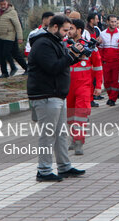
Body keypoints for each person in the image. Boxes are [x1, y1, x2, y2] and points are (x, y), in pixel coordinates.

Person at [27, 14, 86, 182]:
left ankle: (64, 166)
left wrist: (74, 56)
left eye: (69, 30)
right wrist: (70, 56)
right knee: (48, 134)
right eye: (65, 30)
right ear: (54, 28)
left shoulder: (55, 42)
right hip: (46, 94)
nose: (68, 34)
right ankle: (44, 170)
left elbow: (61, 63)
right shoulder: (43, 44)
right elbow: (53, 67)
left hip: (56, 94)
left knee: (60, 133)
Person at [66, 19, 103, 155]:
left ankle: (79, 142)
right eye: (68, 29)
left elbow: (98, 67)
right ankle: (73, 138)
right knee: (69, 115)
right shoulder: (65, 45)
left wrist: (98, 86)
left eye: (71, 28)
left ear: (79, 30)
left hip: (84, 85)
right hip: (67, 85)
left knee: (81, 113)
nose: (68, 31)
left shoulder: (89, 47)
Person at [99, 15, 119, 106]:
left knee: (116, 81)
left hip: (117, 62)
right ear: (108, 22)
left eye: (115, 22)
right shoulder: (103, 33)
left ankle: (113, 99)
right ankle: (110, 95)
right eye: (112, 22)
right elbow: (100, 48)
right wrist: (101, 60)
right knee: (106, 82)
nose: (114, 24)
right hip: (106, 62)